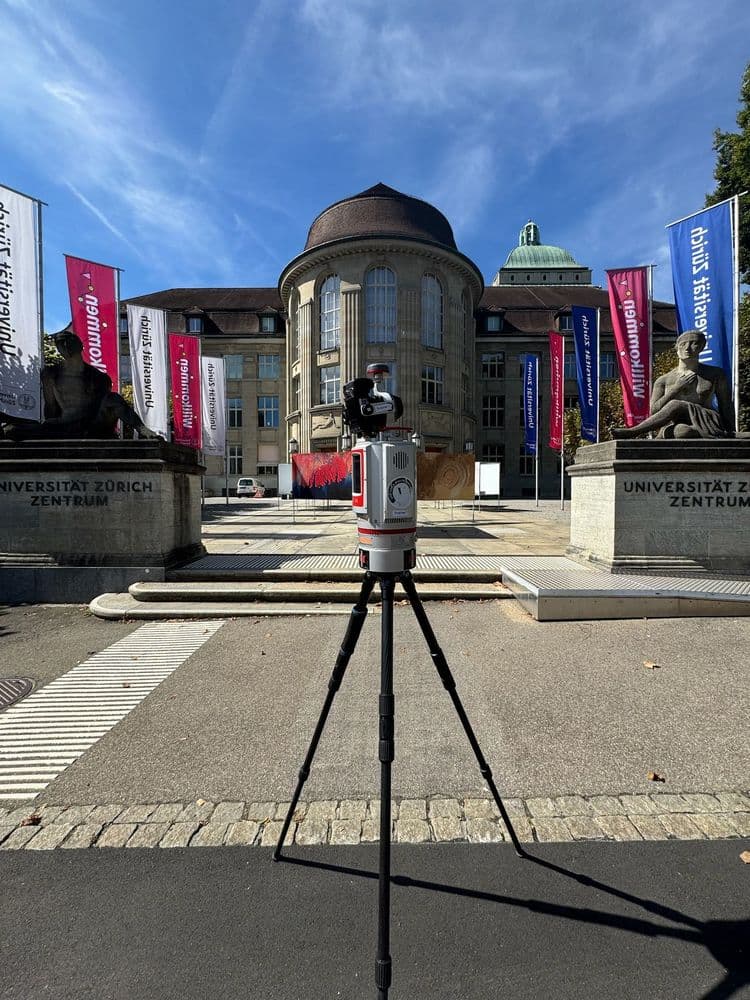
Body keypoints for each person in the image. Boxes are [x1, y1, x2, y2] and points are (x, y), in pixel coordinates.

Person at [4, 326, 162, 440]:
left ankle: (141, 428)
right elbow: (51, 408)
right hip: (64, 425)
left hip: (92, 425)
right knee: (14, 429)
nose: (64, 345)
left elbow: (105, 408)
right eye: (61, 343)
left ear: (79, 345)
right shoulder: (50, 374)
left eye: (68, 341)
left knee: (112, 398)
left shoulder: (99, 377)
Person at [612, 330, 734, 439]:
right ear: (677, 349)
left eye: (694, 343)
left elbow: (726, 405)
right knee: (682, 432)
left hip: (706, 418)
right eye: (683, 344)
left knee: (676, 404)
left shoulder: (715, 373)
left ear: (702, 347)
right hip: (679, 422)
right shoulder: (664, 380)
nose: (687, 348)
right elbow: (654, 410)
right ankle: (699, 433)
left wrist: (731, 431)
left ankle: (633, 431)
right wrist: (676, 389)